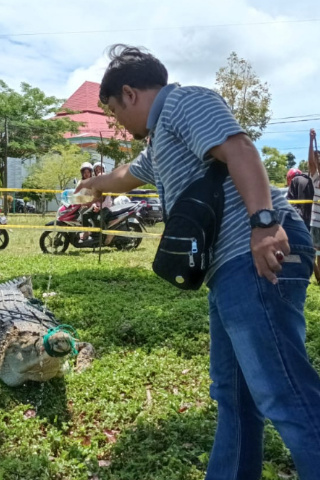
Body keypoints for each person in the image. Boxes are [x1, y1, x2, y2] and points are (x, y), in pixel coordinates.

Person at [76, 45, 320, 479]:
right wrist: (95, 183)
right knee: (235, 397)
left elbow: (241, 149)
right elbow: (127, 175)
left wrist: (264, 224)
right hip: (229, 268)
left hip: (255, 253)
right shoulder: (161, 140)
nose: (118, 121)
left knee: (285, 395)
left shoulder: (185, 102)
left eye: (114, 109)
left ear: (129, 93)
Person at [307, 129, 320, 284]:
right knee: (313, 252)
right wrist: (311, 141)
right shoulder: (315, 177)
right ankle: (317, 275)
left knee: (319, 255)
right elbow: (311, 161)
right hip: (316, 222)